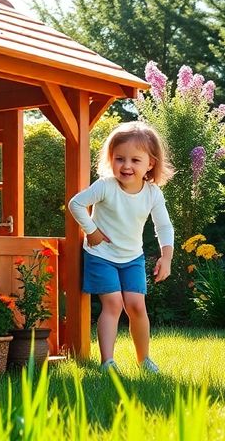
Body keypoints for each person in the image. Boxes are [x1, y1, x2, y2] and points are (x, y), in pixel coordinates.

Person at [67, 121, 174, 374]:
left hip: (132, 258)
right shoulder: (105, 186)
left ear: (150, 163)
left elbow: (164, 226)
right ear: (111, 159)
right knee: (113, 304)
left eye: (135, 160)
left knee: (136, 305)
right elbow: (76, 204)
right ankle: (108, 362)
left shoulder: (153, 193)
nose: (126, 166)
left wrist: (166, 258)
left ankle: (144, 360)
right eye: (119, 158)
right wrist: (91, 232)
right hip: (101, 256)